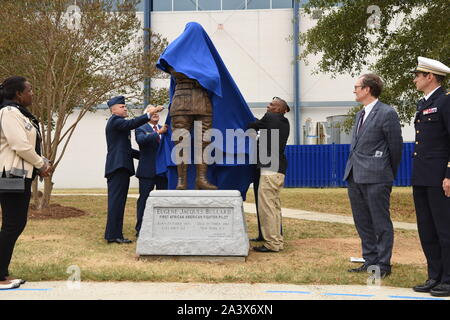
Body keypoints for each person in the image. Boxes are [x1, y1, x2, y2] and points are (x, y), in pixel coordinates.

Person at [155, 22, 256, 195]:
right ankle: (181, 180)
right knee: (181, 143)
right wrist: (197, 73)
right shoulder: (174, 50)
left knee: (204, 143)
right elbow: (168, 65)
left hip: (203, 103)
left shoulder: (206, 55)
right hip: (181, 101)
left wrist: (194, 73)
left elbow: (214, 78)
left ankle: (201, 179)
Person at [343, 73, 403, 278]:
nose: (354, 90)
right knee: (362, 221)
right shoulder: (360, 114)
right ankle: (370, 261)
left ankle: (383, 264)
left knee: (380, 222)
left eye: (357, 87)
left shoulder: (387, 113)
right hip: (355, 175)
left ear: (367, 89)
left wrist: (386, 172)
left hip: (377, 177)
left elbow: (396, 147)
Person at [0, 76, 52, 290]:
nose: (32, 93)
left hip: (19, 175)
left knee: (14, 224)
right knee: (13, 224)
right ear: (18, 94)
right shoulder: (9, 113)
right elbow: (19, 145)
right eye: (29, 90)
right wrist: (41, 164)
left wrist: (40, 163)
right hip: (10, 176)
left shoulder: (19, 113)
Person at [410, 57, 450, 297]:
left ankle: (448, 277)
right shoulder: (424, 103)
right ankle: (434, 275)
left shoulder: (445, 102)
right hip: (423, 176)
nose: (415, 79)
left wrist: (449, 174)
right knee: (427, 229)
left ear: (430, 77)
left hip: (439, 177)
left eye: (418, 75)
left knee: (444, 229)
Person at [104, 96, 163, 244]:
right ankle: (113, 235)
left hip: (121, 167)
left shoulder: (119, 125)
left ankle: (115, 234)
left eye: (125, 106)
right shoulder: (115, 121)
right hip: (117, 167)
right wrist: (151, 113)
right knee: (116, 202)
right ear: (114, 110)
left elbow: (127, 150)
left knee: (119, 202)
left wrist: (143, 157)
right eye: (122, 107)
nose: (125, 108)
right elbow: (132, 123)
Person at [247, 97, 290, 253]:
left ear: (278, 109)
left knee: (267, 208)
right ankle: (277, 241)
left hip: (269, 170)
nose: (268, 106)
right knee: (274, 207)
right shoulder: (283, 122)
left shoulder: (270, 117)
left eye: (272, 104)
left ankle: (272, 244)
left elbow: (251, 126)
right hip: (278, 170)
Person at [135, 106, 168, 237]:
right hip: (147, 171)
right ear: (147, 115)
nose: (156, 114)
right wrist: (158, 132)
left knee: (163, 199)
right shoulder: (141, 128)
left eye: (157, 112)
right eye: (153, 112)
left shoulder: (165, 128)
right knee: (144, 199)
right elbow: (141, 141)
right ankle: (140, 229)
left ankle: (162, 227)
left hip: (162, 171)